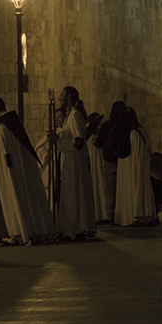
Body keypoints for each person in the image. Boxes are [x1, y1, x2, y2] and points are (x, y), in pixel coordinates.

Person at [0, 96, 54, 245]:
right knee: (28, 199)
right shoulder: (15, 123)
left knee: (12, 199)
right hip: (22, 170)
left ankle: (18, 232)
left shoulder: (1, 127)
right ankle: (36, 230)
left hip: (8, 170)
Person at [52, 87, 96, 239]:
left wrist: (58, 141)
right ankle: (71, 227)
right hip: (69, 160)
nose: (60, 98)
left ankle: (78, 227)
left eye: (63, 95)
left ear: (70, 97)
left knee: (75, 195)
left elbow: (78, 141)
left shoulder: (76, 115)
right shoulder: (70, 115)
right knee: (70, 195)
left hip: (74, 160)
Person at [112, 105, 158, 227]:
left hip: (134, 168)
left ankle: (135, 214)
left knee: (133, 186)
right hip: (135, 168)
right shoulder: (136, 132)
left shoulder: (133, 134)